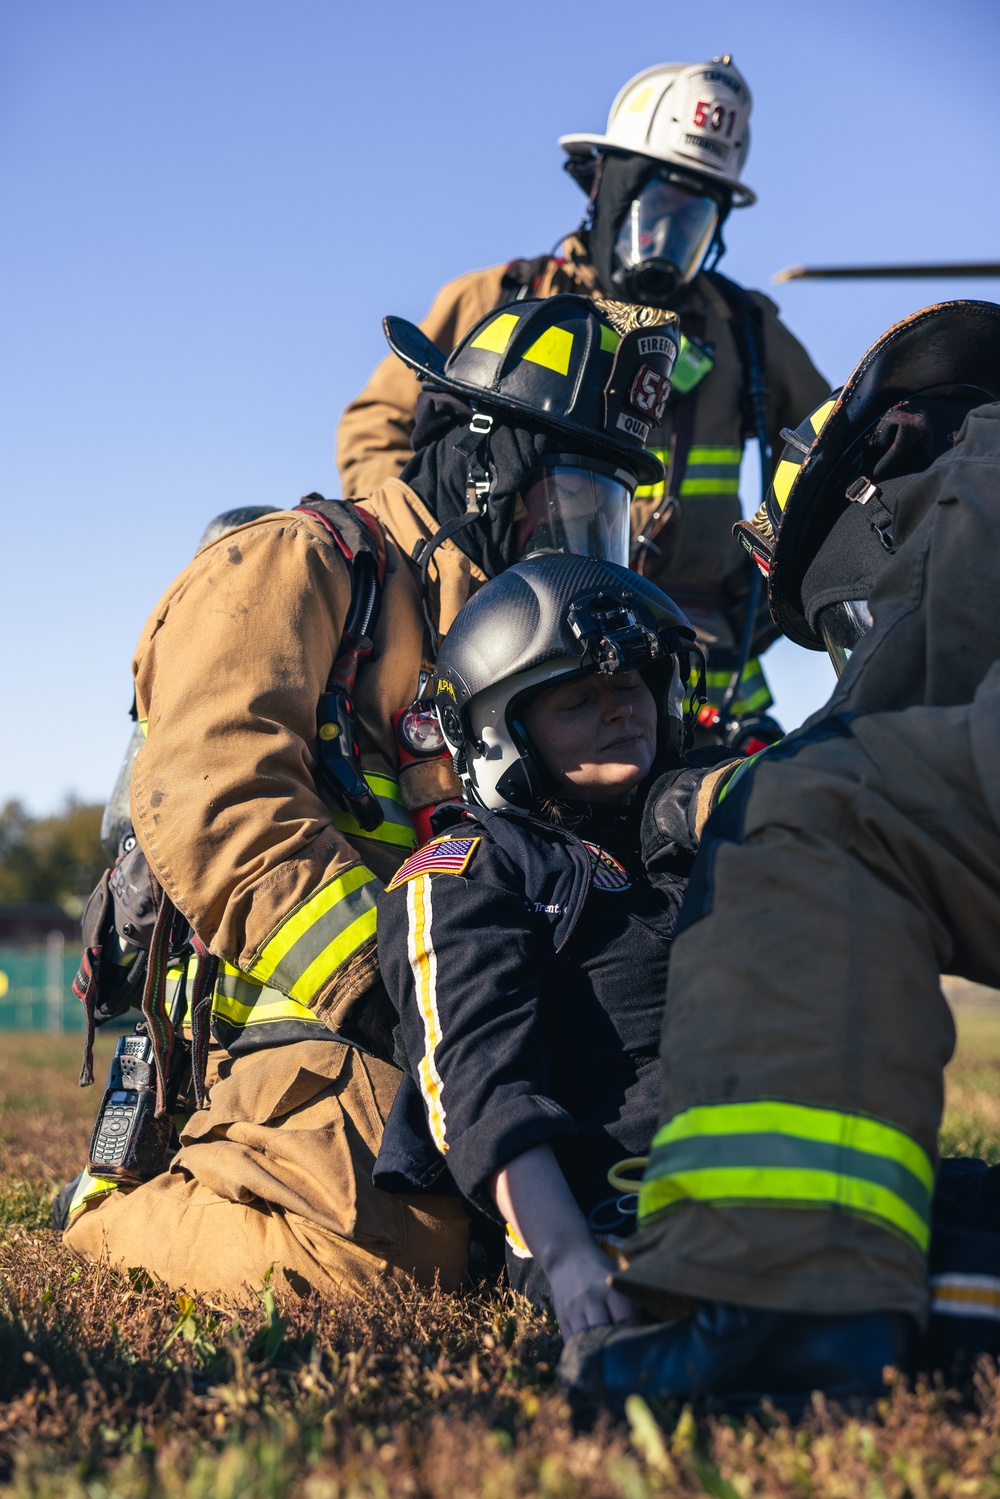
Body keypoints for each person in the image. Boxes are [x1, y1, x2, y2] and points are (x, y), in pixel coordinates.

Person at [59, 295, 679, 1301]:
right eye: (570, 504)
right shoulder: (297, 564)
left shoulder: (510, 633)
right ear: (486, 465)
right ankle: (114, 1215)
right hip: (316, 1030)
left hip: (484, 1015)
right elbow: (219, 803)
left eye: (604, 518)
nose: (581, 545)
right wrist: (396, 995)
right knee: (403, 1250)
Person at [557, 298, 1000, 1415]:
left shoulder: (964, 475)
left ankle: (783, 1308)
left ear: (884, 458)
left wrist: (702, 801)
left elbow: (879, 731)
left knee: (807, 811)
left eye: (840, 619)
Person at [336, 57, 829, 720]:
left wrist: (784, 579)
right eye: (658, 208)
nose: (668, 239)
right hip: (519, 645)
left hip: (698, 665)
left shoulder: (745, 331)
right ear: (606, 186)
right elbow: (376, 429)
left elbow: (831, 446)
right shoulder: (501, 300)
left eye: (695, 219)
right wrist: (439, 569)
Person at [371, 552, 738, 1334]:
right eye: (577, 697)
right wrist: (571, 1259)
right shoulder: (472, 872)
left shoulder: (692, 837)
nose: (620, 709)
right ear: (501, 735)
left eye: (632, 682)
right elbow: (482, 1088)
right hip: (639, 1209)